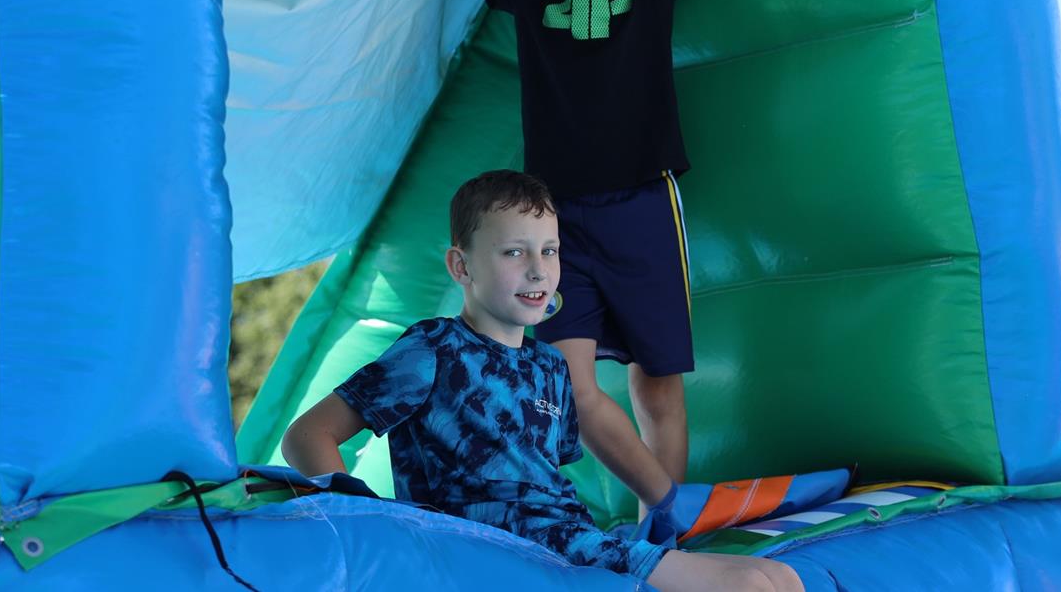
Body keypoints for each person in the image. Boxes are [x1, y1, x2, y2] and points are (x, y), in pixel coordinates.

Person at [281, 171, 801, 592]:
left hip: (568, 542)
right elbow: (305, 436)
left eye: (549, 251)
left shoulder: (550, 367)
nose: (538, 270)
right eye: (514, 252)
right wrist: (375, 524)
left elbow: (548, 490)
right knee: (750, 585)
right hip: (493, 546)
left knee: (779, 577)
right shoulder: (433, 349)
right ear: (461, 266)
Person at [417, 0, 711, 520]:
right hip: (555, 226)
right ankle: (668, 510)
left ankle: (663, 537)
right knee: (573, 387)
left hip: (644, 203)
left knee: (659, 383)